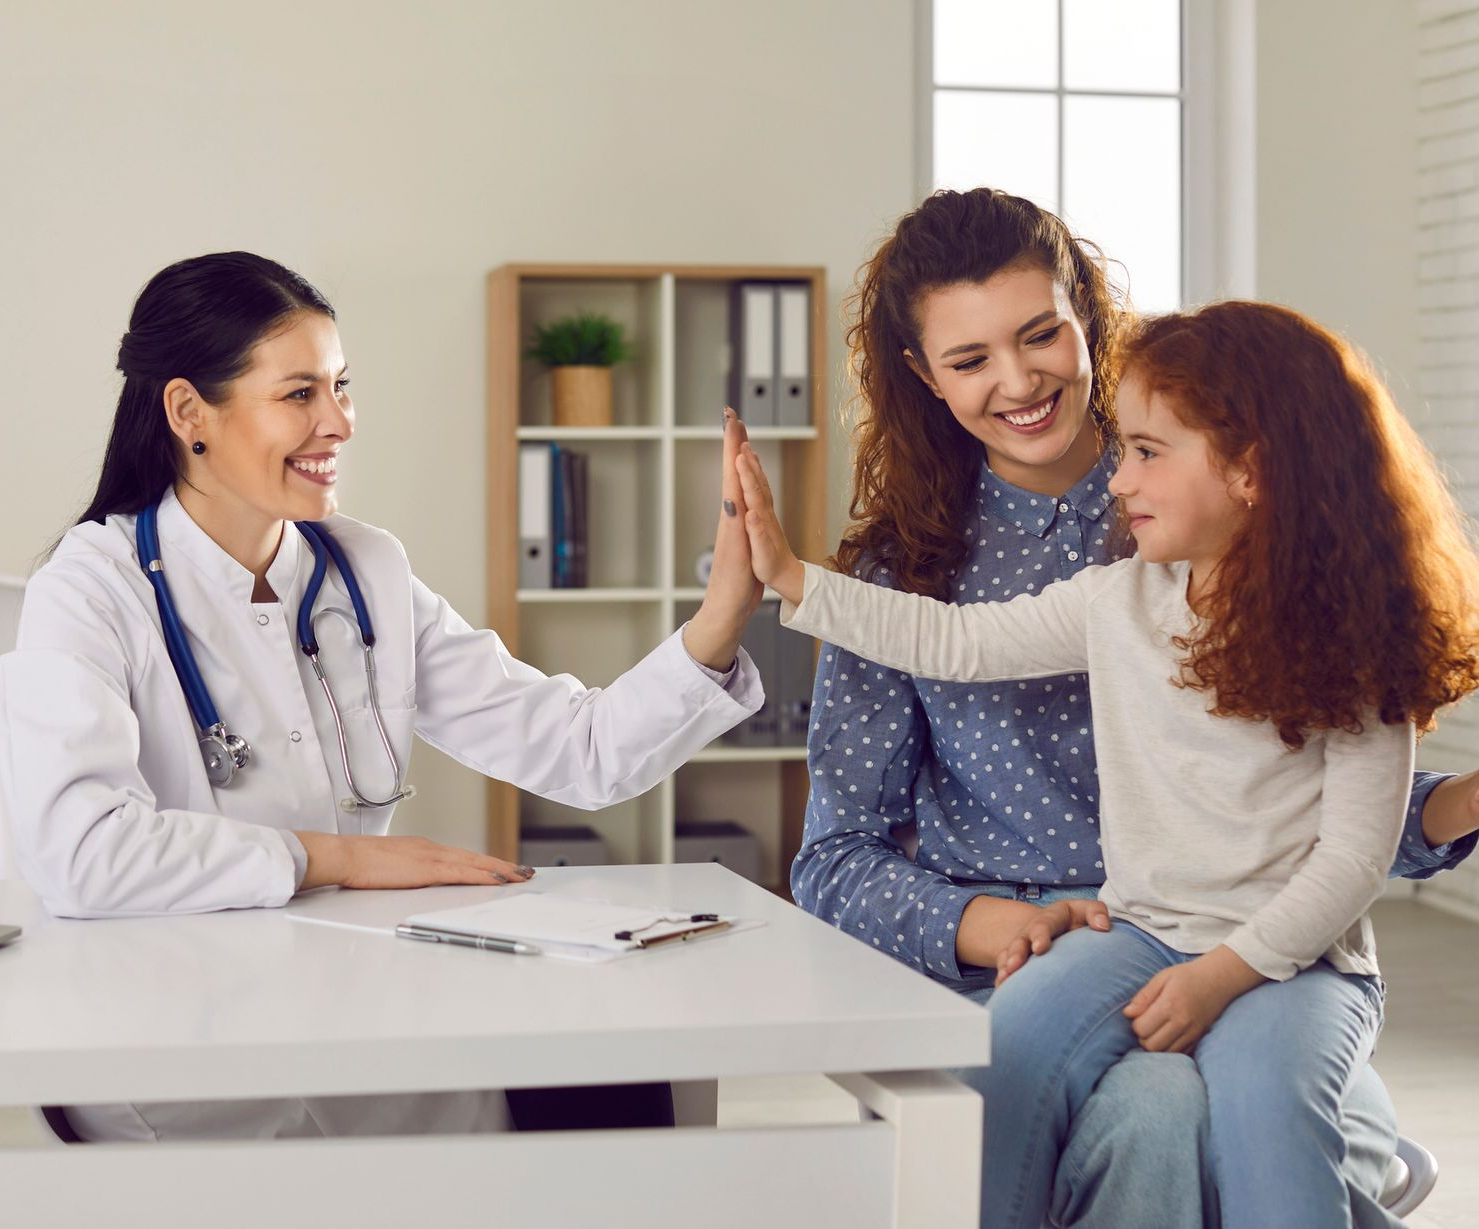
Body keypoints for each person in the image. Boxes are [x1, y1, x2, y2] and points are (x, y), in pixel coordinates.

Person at [780, 189, 1479, 1228]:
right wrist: (995, 926)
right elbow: (836, 855)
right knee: (1158, 1111)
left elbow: (1312, 806)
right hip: (1041, 957)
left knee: (1256, 1106)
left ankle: (1348, 1164)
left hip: (1261, 949)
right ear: (923, 379)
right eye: (970, 361)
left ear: (1088, 319)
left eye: (1039, 334)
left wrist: (1451, 807)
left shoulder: (1196, 507)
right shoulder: (951, 574)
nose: (1018, 382)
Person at [0, 251, 766, 1141]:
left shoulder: (364, 571)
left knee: (624, 1073)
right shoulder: (92, 587)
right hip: (174, 1046)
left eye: (342, 386)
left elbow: (579, 750)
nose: (339, 422)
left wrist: (719, 617)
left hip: (354, 1010)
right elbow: (82, 852)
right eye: (299, 395)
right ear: (187, 412)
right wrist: (341, 858)